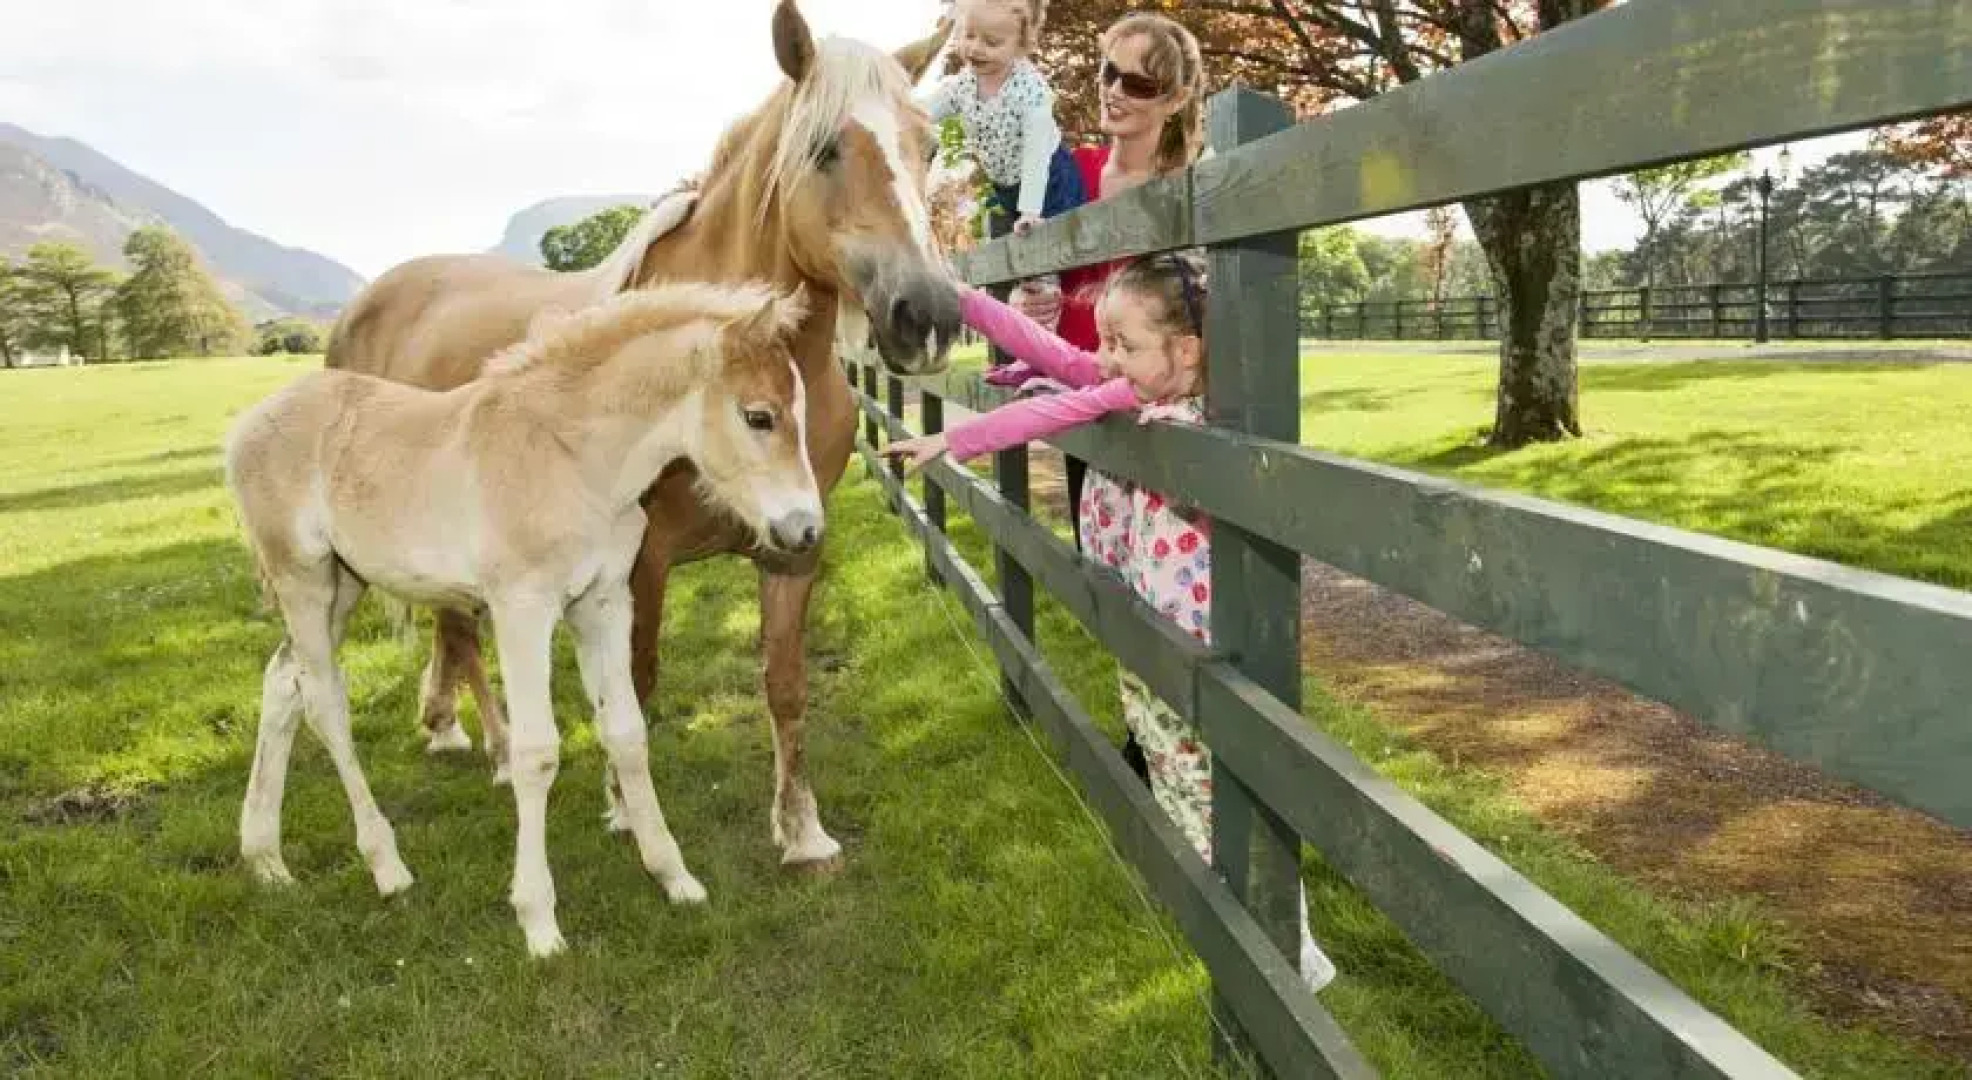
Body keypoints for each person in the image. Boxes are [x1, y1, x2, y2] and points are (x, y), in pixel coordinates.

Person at [881, 253, 1339, 993]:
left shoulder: (1171, 412)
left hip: (1190, 643)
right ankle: (1237, 927)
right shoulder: (1140, 385)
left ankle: (1283, 953)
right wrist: (968, 301)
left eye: (1121, 344)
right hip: (1152, 634)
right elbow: (1059, 358)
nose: (1105, 358)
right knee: (1175, 769)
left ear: (1186, 352)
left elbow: (1061, 404)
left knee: (1205, 778)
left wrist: (955, 440)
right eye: (1107, 342)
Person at [919, 0, 1086, 241]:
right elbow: (921, 112)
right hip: (1007, 186)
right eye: (969, 35)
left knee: (1051, 243)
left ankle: (1046, 277)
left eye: (991, 42)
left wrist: (1030, 210)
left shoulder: (1030, 92)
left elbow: (1035, 157)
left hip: (1049, 181)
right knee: (1021, 246)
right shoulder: (964, 85)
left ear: (1020, 45)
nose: (975, 48)